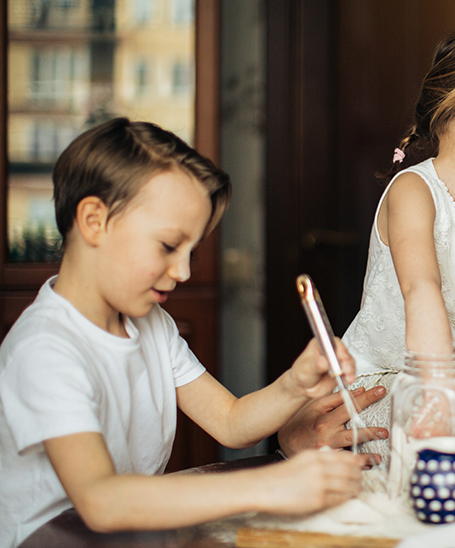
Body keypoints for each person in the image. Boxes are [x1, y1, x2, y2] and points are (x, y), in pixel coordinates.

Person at [0, 118, 368, 548]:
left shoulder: (151, 324)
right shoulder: (45, 349)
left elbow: (231, 423)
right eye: (168, 246)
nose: (184, 271)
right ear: (94, 220)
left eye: (191, 251)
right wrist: (271, 485)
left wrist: (294, 385)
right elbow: (100, 500)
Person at [281, 33, 455, 479]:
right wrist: (437, 389)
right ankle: (435, 460)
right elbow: (421, 287)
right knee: (397, 427)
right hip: (396, 376)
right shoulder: (414, 190)